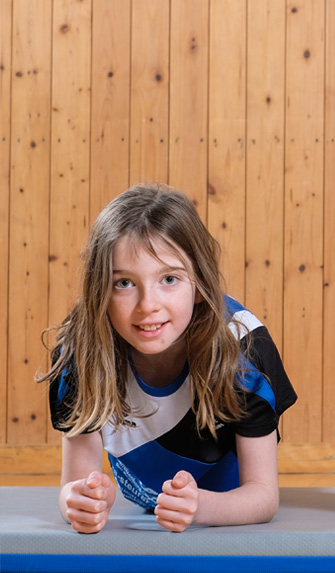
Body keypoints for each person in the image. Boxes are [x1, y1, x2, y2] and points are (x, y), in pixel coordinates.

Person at [40, 184, 296, 534]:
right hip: (146, 496)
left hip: (223, 501)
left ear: (201, 281)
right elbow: (73, 484)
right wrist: (80, 502)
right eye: (124, 283)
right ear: (98, 287)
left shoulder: (244, 352)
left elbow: (263, 497)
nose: (148, 305)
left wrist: (200, 505)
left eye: (169, 279)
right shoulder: (79, 354)